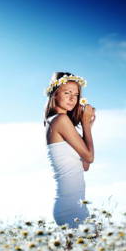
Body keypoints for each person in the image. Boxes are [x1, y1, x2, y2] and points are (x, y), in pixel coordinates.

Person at [43, 71, 96, 228]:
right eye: (67, 93)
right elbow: (90, 156)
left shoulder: (63, 123)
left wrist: (88, 126)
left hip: (75, 204)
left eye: (76, 94)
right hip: (70, 206)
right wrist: (85, 123)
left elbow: (85, 165)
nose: (73, 98)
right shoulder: (60, 120)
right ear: (55, 94)